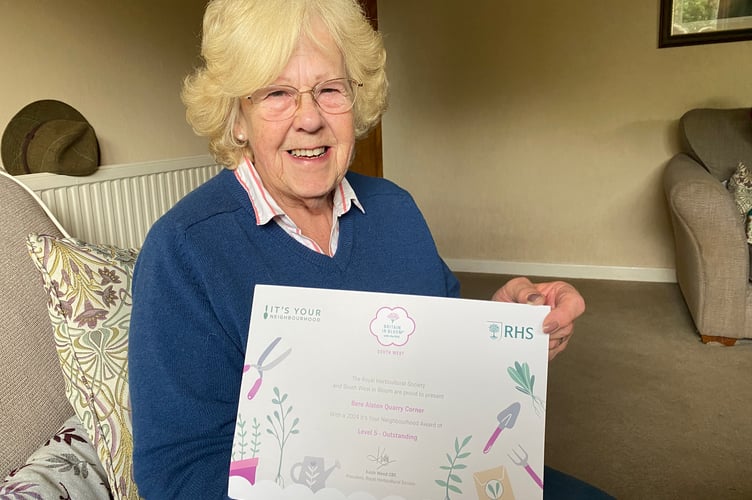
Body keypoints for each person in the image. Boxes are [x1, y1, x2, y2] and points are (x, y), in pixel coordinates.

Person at [129, 0, 599, 498]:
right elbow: (177, 475)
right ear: (236, 117)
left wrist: (506, 333)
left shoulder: (395, 208)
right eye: (277, 93)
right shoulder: (183, 250)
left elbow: (429, 364)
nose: (308, 118)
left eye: (330, 89)